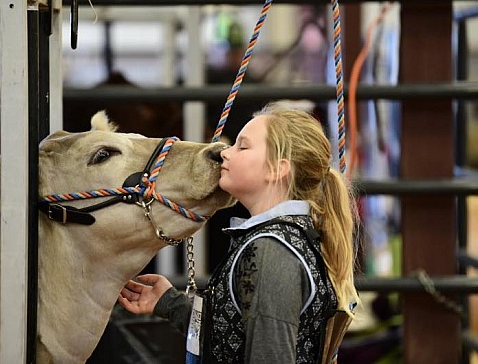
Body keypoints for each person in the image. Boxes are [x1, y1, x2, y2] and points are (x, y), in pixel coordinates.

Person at [118, 101, 361, 363]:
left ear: (277, 169)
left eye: (242, 146)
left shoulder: (271, 250)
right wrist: (170, 304)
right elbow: (235, 337)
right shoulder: (280, 239)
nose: (225, 152)